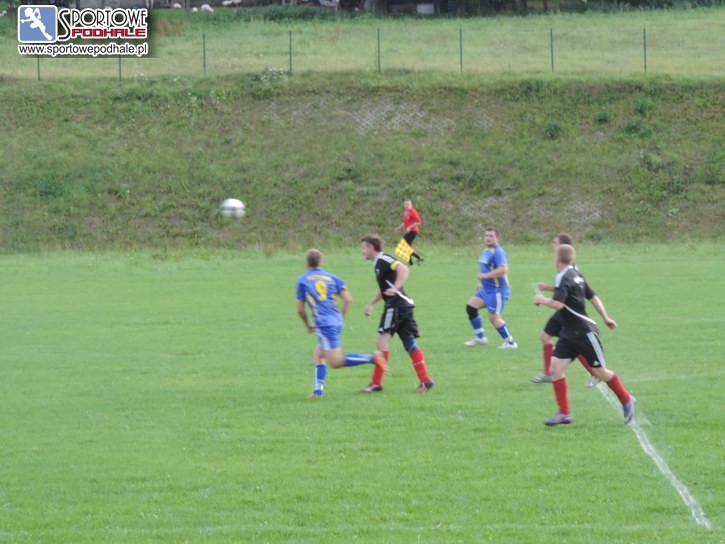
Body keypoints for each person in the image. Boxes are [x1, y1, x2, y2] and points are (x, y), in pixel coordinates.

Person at [533, 244, 636, 426]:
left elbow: (558, 304)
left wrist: (542, 299)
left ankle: (626, 399)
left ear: (557, 259)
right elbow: (593, 297)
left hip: (585, 333)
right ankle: (564, 413)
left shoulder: (565, 277)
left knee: (599, 371)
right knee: (556, 368)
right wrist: (606, 317)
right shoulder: (575, 275)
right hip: (568, 333)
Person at [296, 249, 386, 398]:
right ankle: (318, 391)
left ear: (307, 263)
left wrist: (307, 324)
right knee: (319, 354)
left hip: (324, 324)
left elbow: (300, 309)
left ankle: (372, 358)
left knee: (335, 362)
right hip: (335, 321)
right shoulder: (332, 277)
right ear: (321, 262)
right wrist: (340, 317)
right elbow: (348, 299)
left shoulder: (303, 280)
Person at [359, 235, 434, 394]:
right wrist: (371, 304)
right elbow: (384, 288)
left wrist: (396, 287)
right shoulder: (378, 264)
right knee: (409, 343)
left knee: (381, 342)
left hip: (396, 306)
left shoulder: (383, 259)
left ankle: (376, 383)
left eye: (364, 247)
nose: (362, 251)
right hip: (403, 306)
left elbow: (403, 269)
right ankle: (425, 380)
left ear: (372, 248)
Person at [530, 234, 605, 387]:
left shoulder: (570, 269)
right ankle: (548, 373)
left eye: (555, 242)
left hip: (567, 312)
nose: (552, 244)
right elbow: (563, 289)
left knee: (574, 343)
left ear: (562, 247)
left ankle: (595, 372)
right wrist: (547, 288)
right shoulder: (564, 268)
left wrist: (543, 299)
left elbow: (571, 292)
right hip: (563, 309)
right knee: (545, 337)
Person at [464, 227, 517, 349]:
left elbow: (504, 269)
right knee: (471, 308)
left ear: (498, 238)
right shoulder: (486, 250)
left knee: (494, 317)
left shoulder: (498, 252)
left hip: (497, 291)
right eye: (486, 236)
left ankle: (510, 342)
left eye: (491, 236)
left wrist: (485, 276)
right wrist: (483, 283)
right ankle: (480, 337)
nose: (488, 238)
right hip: (486, 290)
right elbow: (489, 268)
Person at [394, 198, 424, 266]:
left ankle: (418, 259)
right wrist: (399, 228)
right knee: (408, 247)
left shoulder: (413, 211)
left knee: (405, 246)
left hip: (413, 231)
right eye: (405, 204)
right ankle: (413, 262)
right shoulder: (405, 212)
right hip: (408, 232)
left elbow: (418, 222)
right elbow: (405, 222)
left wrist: (410, 227)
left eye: (408, 204)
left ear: (411, 205)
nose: (407, 206)